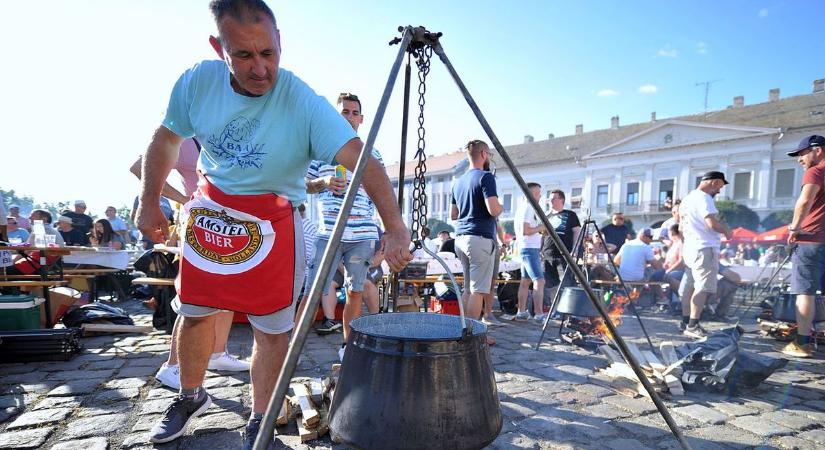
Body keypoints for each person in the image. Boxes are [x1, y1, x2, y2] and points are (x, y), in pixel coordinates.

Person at [137, 2, 410, 447]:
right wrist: (150, 201)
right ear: (218, 48)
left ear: (281, 42)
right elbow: (165, 138)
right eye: (243, 56)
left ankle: (260, 419)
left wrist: (395, 226)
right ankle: (189, 396)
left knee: (272, 328)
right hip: (212, 213)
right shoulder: (196, 82)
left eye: (268, 53)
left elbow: (361, 158)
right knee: (195, 312)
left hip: (275, 219)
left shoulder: (301, 100)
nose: (260, 68)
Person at [303, 92, 384, 359]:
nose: (349, 117)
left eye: (354, 112)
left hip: (361, 235)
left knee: (355, 291)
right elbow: (301, 186)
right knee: (313, 290)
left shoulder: (373, 153)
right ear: (336, 116)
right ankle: (290, 346)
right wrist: (323, 183)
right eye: (344, 112)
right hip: (329, 233)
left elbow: (381, 191)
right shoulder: (321, 151)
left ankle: (347, 347)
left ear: (361, 119)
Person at [450, 139, 502, 338]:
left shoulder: (458, 182)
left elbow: (453, 214)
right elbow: (493, 209)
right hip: (479, 237)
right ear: (483, 154)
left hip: (461, 237)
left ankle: (461, 330)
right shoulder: (486, 177)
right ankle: (470, 337)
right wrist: (501, 208)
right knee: (478, 290)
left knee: (468, 289)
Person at [783, 135, 825, 357]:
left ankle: (803, 343)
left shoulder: (816, 170)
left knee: (805, 291)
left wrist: (794, 228)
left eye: (802, 154)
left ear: (817, 150)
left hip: (812, 239)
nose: (799, 159)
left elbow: (806, 200)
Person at [678, 171, 732, 339]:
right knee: (703, 288)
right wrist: (726, 231)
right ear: (714, 182)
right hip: (704, 248)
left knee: (690, 288)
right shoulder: (704, 198)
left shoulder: (686, 200)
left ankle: (686, 322)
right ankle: (693, 326)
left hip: (690, 248)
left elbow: (680, 229)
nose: (719, 191)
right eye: (720, 187)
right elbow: (711, 223)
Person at [540, 189, 581, 312]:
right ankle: (555, 309)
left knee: (566, 284)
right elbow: (542, 235)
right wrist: (540, 250)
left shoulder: (570, 215)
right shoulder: (546, 215)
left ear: (562, 199)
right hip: (548, 254)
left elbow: (577, 232)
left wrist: (575, 250)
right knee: (551, 285)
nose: (551, 201)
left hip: (564, 254)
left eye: (554, 198)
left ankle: (567, 310)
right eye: (550, 199)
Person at [513, 182, 546, 321]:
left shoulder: (522, 208)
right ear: (532, 194)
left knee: (525, 281)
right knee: (539, 281)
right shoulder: (529, 208)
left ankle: (521, 311)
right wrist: (541, 227)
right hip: (529, 248)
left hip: (525, 247)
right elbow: (526, 230)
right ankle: (538, 314)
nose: (540, 196)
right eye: (538, 193)